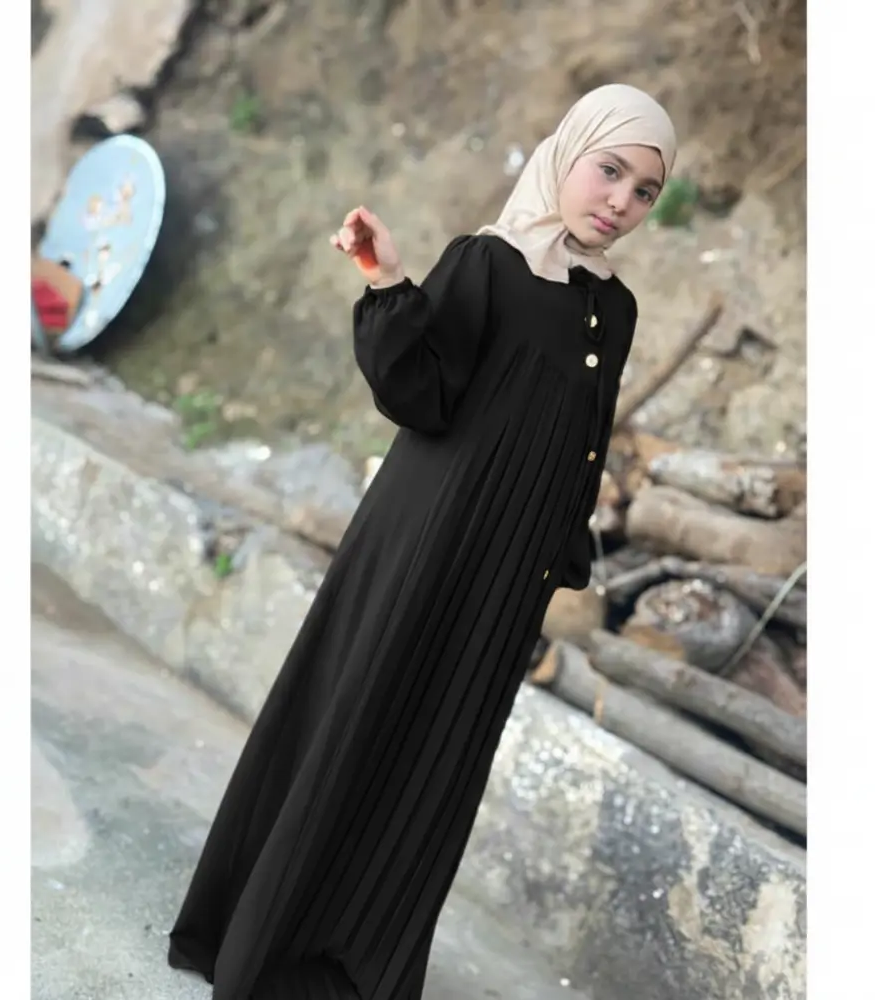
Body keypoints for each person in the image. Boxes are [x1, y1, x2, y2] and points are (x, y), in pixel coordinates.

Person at [168, 82, 677, 1000]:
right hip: (426, 545)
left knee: (438, 764)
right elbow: (419, 395)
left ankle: (359, 967)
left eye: (645, 190)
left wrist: (552, 561)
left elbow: (586, 439)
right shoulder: (489, 262)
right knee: (359, 721)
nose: (620, 201)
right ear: (567, 155)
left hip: (506, 578)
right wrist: (388, 283)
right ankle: (263, 945)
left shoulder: (617, 307)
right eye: (609, 171)